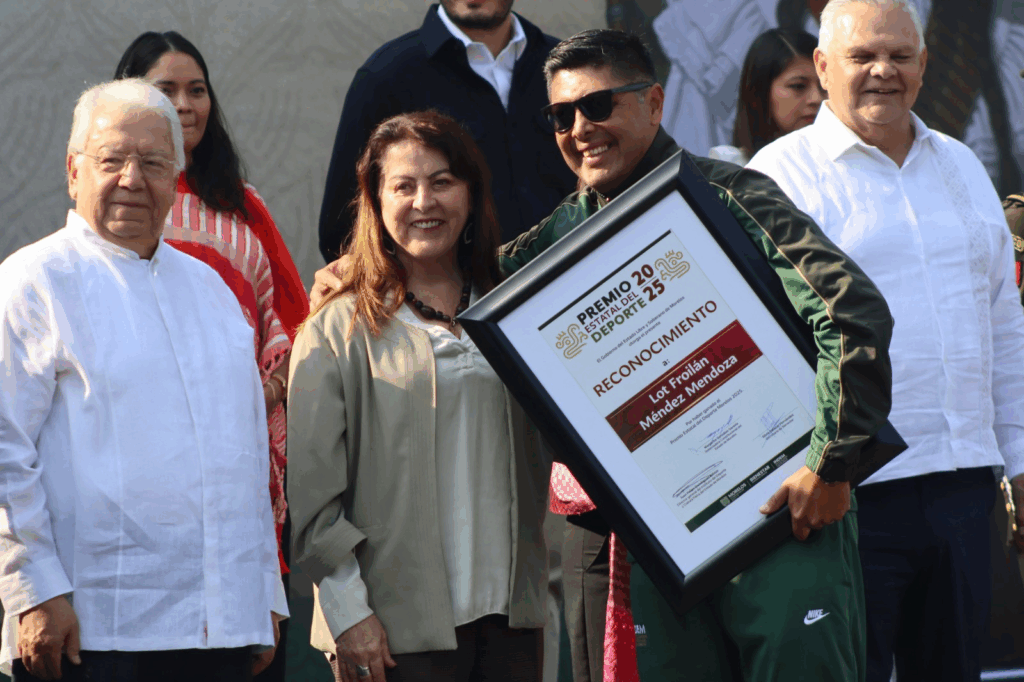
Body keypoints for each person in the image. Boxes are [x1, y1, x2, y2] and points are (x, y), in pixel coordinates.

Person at [311, 28, 893, 682]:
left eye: (597, 106)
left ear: (654, 103)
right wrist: (364, 270)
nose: (580, 130)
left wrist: (831, 463)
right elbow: (453, 272)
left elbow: (850, 314)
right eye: (561, 117)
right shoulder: (551, 244)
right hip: (664, 550)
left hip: (787, 518)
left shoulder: (731, 194)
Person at [747, 1, 1024, 680]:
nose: (883, 71)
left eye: (900, 56)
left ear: (924, 65)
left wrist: (1019, 462)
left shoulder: (961, 164)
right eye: (862, 56)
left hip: (964, 485)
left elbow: (1002, 324)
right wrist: (821, 466)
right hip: (847, 493)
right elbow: (760, 338)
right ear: (823, 66)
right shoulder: (781, 174)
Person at [0, 79, 287, 682]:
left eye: (154, 164)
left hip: (219, 630)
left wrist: (260, 592)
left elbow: (243, 452)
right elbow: (5, 449)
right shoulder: (33, 281)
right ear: (73, 172)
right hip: (89, 627)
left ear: (175, 180)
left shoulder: (212, 291)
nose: (132, 179)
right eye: (112, 160)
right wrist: (34, 589)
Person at [288, 111, 552, 682]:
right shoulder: (337, 327)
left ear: (471, 193)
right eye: (403, 186)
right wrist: (349, 615)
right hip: (392, 633)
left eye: (442, 181)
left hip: (512, 621)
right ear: (375, 202)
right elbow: (312, 503)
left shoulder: (515, 307)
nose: (424, 202)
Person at [113, 33, 310, 622]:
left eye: (196, 90)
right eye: (165, 89)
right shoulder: (119, 206)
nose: (184, 104)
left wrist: (266, 391)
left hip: (239, 439)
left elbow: (293, 320)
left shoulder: (243, 205)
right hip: (139, 447)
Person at [317, 0, 577, 260]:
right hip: (461, 286)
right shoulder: (385, 77)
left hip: (581, 272)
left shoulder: (571, 68)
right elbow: (343, 234)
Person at [708, 27, 824, 165]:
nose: (817, 99)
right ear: (760, 91)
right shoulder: (733, 167)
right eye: (798, 86)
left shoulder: (842, 164)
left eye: (824, 87)